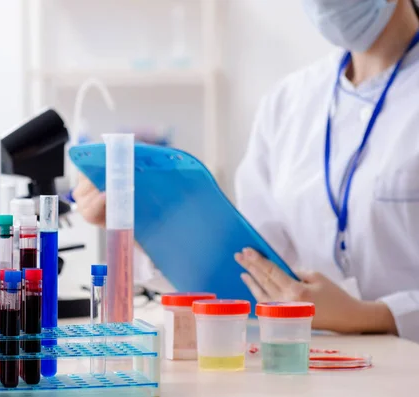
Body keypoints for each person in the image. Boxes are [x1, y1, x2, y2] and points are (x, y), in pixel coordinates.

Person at [73, 0, 419, 342]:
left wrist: (370, 316)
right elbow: (245, 262)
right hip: (308, 360)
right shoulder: (290, 101)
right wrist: (144, 221)